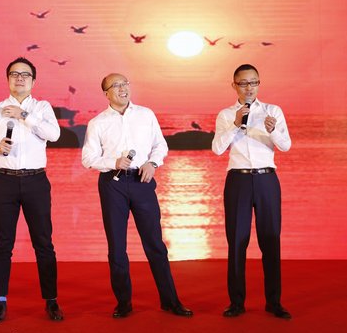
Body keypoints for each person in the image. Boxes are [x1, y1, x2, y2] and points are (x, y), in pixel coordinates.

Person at [82, 73, 193, 319]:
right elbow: (88, 158)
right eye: (116, 85)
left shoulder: (146, 114)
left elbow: (160, 145)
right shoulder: (97, 123)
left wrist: (153, 163)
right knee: (117, 247)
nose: (122, 88)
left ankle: (170, 300)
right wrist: (113, 162)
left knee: (155, 244)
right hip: (112, 184)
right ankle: (123, 303)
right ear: (106, 93)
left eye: (125, 84)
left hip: (142, 181)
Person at [0, 57, 63, 323]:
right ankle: (0, 300)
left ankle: (51, 300)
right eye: (14, 74)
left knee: (43, 242)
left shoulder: (42, 107)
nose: (20, 78)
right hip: (4, 181)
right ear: (8, 79)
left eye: (25, 75)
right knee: (3, 243)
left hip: (36, 181)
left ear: (33, 81)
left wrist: (24, 116)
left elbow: (54, 135)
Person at [212, 64, 292, 320]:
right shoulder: (226, 114)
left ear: (259, 83)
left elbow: (286, 146)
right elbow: (217, 149)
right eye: (244, 83)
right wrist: (236, 124)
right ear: (234, 85)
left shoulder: (272, 111)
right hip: (238, 180)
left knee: (271, 239)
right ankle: (236, 302)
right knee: (237, 241)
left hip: (267, 179)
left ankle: (274, 302)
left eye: (254, 82)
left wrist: (273, 130)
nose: (249, 88)